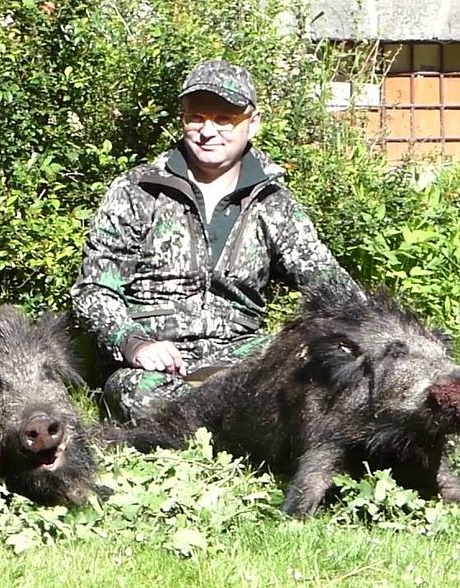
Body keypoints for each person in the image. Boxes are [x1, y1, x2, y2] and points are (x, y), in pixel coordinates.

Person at [71, 59, 356, 424]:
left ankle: (220, 420)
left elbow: (326, 281)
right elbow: (94, 289)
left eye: (224, 119)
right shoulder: (138, 191)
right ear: (182, 120)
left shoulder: (273, 202)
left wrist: (374, 335)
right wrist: (134, 343)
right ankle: (242, 424)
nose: (208, 131)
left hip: (245, 359)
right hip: (158, 369)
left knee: (309, 373)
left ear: (252, 123)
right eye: (197, 118)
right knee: (133, 394)